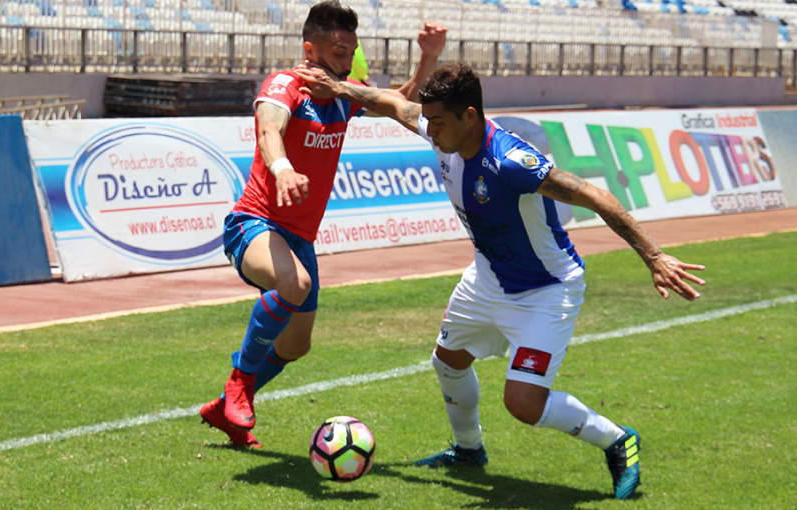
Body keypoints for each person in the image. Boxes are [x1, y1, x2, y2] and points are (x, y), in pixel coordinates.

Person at [295, 61, 705, 499]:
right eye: (427, 120)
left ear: (469, 116)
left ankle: (617, 440)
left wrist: (654, 255)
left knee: (523, 404)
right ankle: (469, 450)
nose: (428, 130)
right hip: (487, 279)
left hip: (546, 290)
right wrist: (337, 87)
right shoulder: (443, 131)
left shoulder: (511, 162)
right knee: (448, 361)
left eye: (437, 122)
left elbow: (594, 195)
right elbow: (393, 103)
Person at [199, 0, 447, 449]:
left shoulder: (344, 93)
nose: (346, 61)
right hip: (253, 222)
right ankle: (239, 382)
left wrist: (428, 58)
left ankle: (227, 410)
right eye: (337, 52)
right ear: (310, 50)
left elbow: (399, 103)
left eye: (350, 51)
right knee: (293, 285)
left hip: (298, 238)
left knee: (296, 346)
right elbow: (269, 131)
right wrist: (282, 170)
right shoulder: (285, 85)